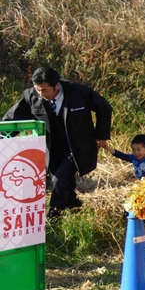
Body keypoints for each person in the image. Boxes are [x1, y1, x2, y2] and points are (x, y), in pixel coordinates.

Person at [3, 66, 112, 216]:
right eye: (37, 90)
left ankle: (55, 214)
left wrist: (101, 135)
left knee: (59, 180)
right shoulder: (33, 97)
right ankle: (73, 204)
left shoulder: (79, 93)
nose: (41, 94)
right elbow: (11, 119)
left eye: (45, 90)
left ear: (57, 86)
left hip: (78, 146)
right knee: (58, 178)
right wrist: (3, 137)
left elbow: (104, 108)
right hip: (52, 147)